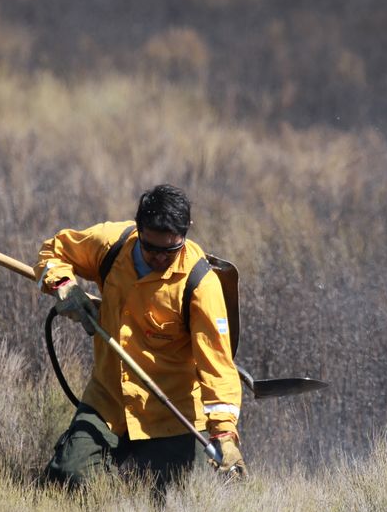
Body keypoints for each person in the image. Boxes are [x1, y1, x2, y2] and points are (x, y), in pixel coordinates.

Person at [35, 184, 246, 491]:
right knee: (67, 479)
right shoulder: (111, 245)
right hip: (109, 401)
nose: (160, 258)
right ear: (139, 230)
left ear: (186, 234)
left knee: (164, 499)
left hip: (172, 415)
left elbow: (216, 365)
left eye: (170, 251)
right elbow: (53, 251)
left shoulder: (201, 284)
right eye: (151, 249)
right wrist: (65, 286)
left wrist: (224, 434)